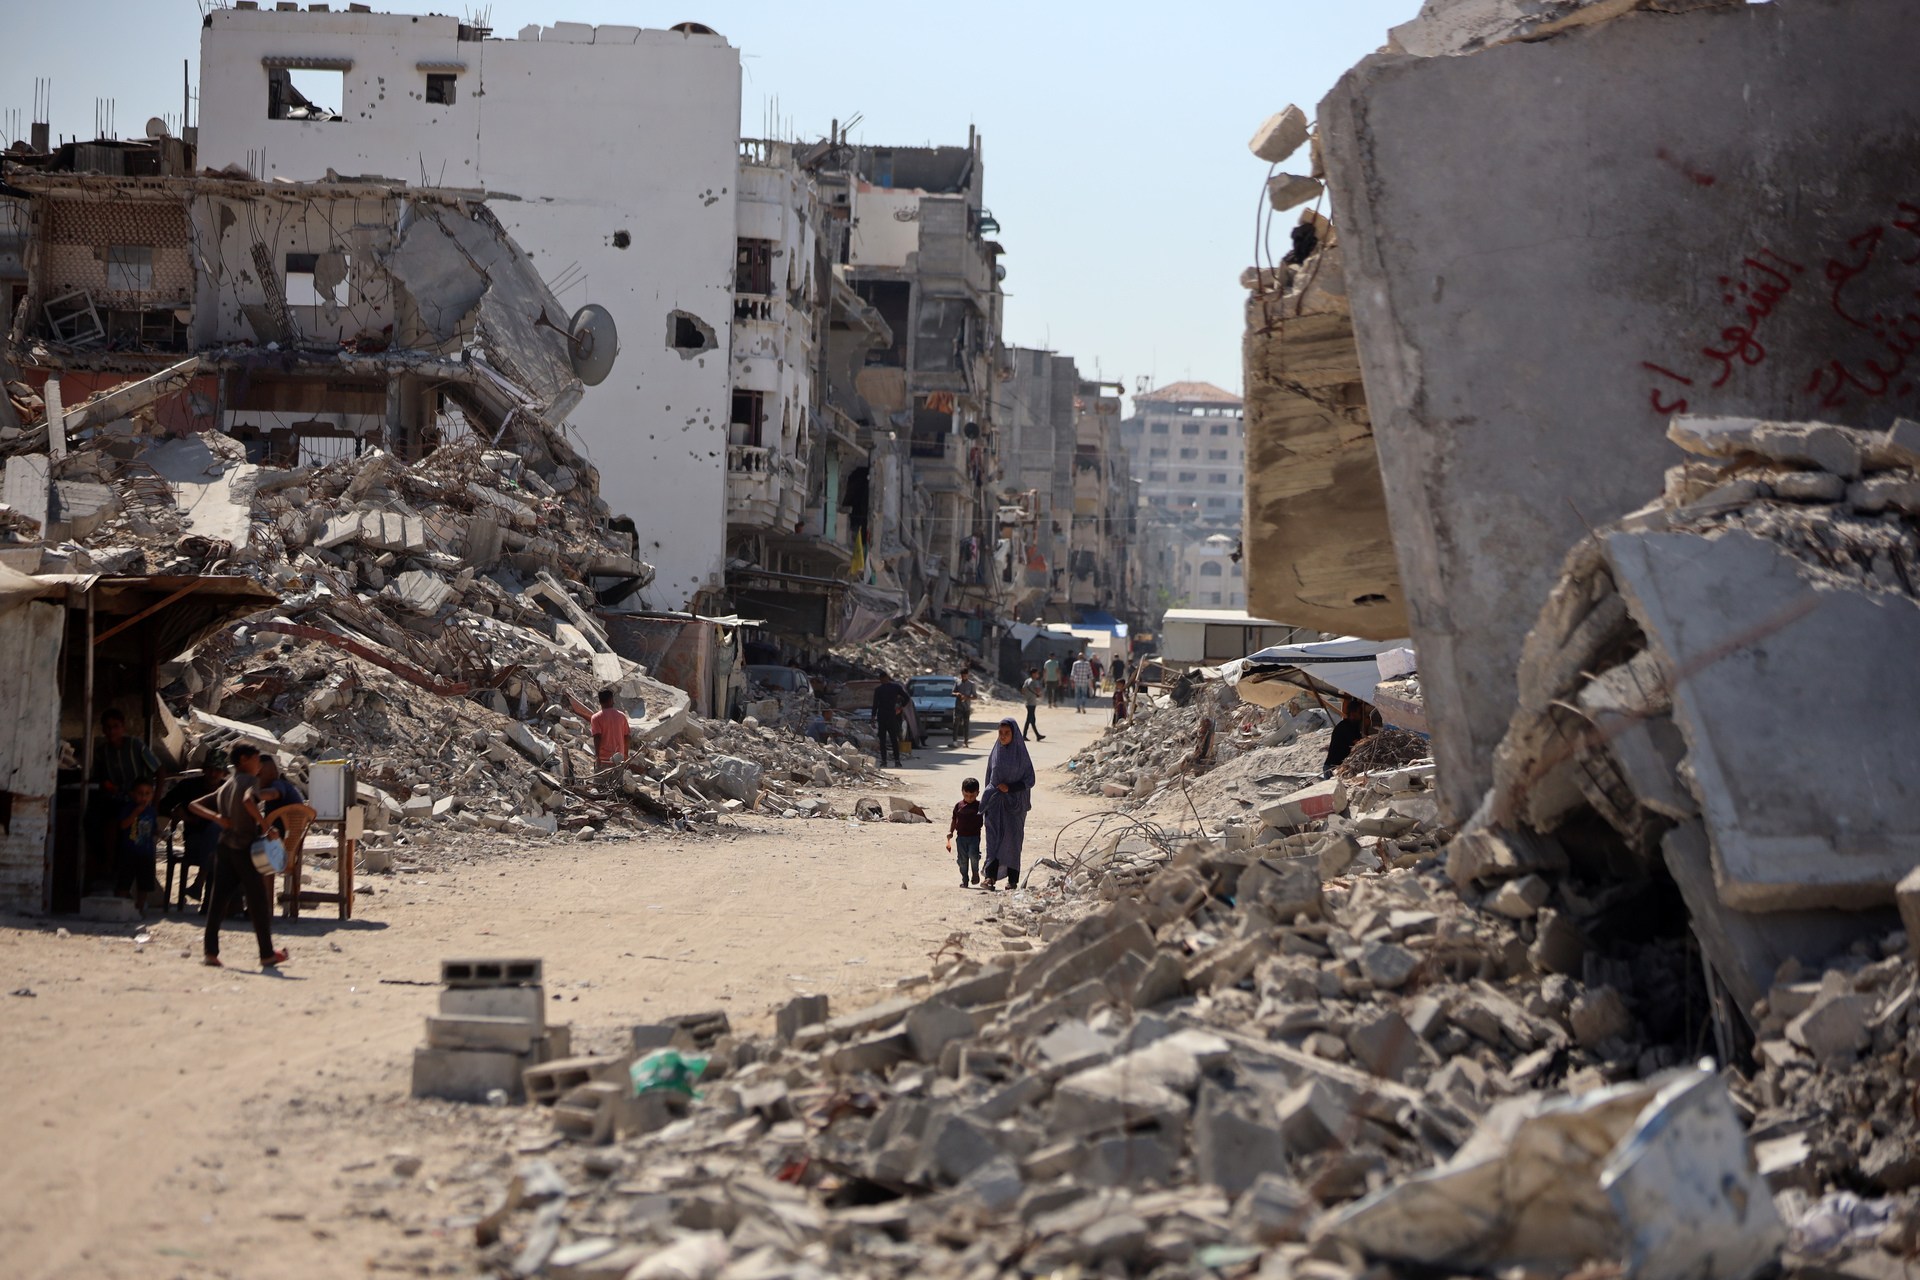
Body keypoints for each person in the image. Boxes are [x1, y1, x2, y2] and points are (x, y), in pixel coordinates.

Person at [189, 744, 288, 969]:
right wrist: (266, 827)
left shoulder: (226, 785)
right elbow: (247, 801)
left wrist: (217, 818)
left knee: (218, 901)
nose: (260, 765)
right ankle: (266, 954)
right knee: (258, 902)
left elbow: (194, 805)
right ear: (244, 760)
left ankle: (210, 952)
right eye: (257, 760)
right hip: (244, 848)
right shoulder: (248, 782)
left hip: (225, 847)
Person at [161, 749, 230, 902]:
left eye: (217, 770)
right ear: (204, 770)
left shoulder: (228, 791)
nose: (213, 774)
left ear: (224, 773)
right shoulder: (189, 786)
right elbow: (163, 805)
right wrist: (180, 816)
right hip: (195, 842)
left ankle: (201, 885)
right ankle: (200, 886)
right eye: (210, 769)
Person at [981, 719, 1036, 892]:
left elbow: (1030, 779)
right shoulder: (996, 752)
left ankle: (1012, 880)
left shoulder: (1021, 754)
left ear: (1014, 735)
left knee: (1012, 841)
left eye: (1007, 733)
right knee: (993, 839)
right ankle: (990, 877)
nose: (1003, 737)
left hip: (1015, 806)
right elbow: (990, 776)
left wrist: (1010, 788)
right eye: (1000, 733)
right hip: (996, 803)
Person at [114, 777, 160, 916]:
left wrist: (160, 833)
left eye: (147, 794)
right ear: (133, 794)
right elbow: (123, 825)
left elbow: (153, 829)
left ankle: (140, 908)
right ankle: (119, 908)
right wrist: (135, 814)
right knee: (124, 881)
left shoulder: (152, 811)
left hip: (146, 853)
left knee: (144, 884)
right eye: (140, 793)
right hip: (129, 852)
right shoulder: (128, 809)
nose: (143, 797)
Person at [947, 777, 984, 888]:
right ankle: (965, 879)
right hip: (961, 838)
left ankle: (975, 873)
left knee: (974, 856)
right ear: (962, 791)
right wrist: (950, 831)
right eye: (966, 795)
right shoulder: (959, 806)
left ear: (978, 793)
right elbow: (954, 819)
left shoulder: (980, 806)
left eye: (972, 796)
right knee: (962, 860)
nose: (969, 798)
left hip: (974, 837)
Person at [1323, 696, 1371, 778]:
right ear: (1353, 714)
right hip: (1333, 767)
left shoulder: (1353, 726)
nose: (1362, 716)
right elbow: (1359, 744)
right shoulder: (1346, 727)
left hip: (1340, 766)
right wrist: (1366, 727)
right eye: (1360, 713)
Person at [871, 674, 908, 768]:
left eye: (882, 678)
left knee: (885, 740)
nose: (881, 680)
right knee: (892, 739)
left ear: (885, 678)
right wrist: (900, 706)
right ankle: (895, 761)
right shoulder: (895, 687)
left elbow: (875, 705)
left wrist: (873, 717)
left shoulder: (879, 689)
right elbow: (906, 698)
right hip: (891, 715)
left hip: (883, 716)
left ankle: (886, 761)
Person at [589, 689, 632, 766]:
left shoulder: (596, 718)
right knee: (617, 778)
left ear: (600, 701)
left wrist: (597, 756)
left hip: (603, 759)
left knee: (602, 778)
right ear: (611, 700)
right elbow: (626, 736)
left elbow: (597, 737)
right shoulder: (621, 716)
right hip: (618, 759)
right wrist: (625, 755)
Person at [1019, 668, 1046, 742]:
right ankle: (1025, 735)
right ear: (1033, 674)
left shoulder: (1027, 681)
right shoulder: (1035, 682)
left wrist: (1028, 696)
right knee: (1030, 719)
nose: (1038, 674)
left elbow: (1023, 690)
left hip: (1027, 702)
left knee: (1031, 719)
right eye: (1037, 673)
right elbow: (1038, 690)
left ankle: (1036, 735)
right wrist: (1039, 694)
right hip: (1032, 703)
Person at [953, 669, 977, 744]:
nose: (963, 677)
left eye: (965, 675)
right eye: (962, 675)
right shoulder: (957, 683)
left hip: (966, 708)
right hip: (958, 707)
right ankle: (955, 741)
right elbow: (952, 692)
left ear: (967, 675)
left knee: (966, 725)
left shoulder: (971, 684)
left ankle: (965, 741)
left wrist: (967, 697)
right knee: (956, 724)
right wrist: (957, 694)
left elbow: (975, 696)